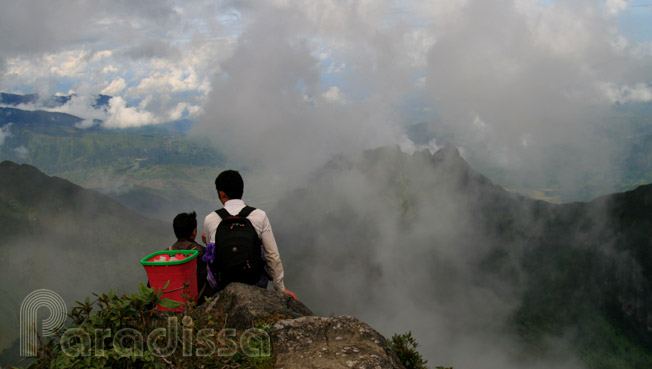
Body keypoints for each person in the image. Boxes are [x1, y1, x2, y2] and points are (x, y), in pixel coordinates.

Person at [202, 170, 297, 300]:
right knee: (261, 247)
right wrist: (280, 289)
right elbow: (272, 255)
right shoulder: (259, 216)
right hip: (254, 283)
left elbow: (212, 255)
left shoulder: (210, 219)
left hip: (222, 284)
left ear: (221, 193)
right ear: (241, 190)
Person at [170, 211, 213, 303]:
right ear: (194, 232)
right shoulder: (202, 251)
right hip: (200, 300)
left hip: (174, 300)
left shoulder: (166, 253)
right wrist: (208, 244)